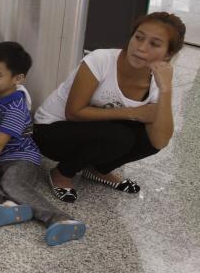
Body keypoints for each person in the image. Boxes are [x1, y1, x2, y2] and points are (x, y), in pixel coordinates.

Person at [34, 12, 184, 202]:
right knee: (120, 136)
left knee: (148, 138)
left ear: (168, 54)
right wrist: (133, 113)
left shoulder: (158, 80)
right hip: (51, 131)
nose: (141, 48)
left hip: (99, 133)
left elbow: (160, 141)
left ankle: (98, 169)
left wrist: (166, 90)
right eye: (138, 38)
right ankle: (62, 173)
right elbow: (73, 112)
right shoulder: (101, 60)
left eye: (154, 44)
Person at [0, 42, 85, 246]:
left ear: (18, 79)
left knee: (10, 182)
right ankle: (6, 205)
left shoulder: (16, 107)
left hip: (21, 158)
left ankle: (61, 219)